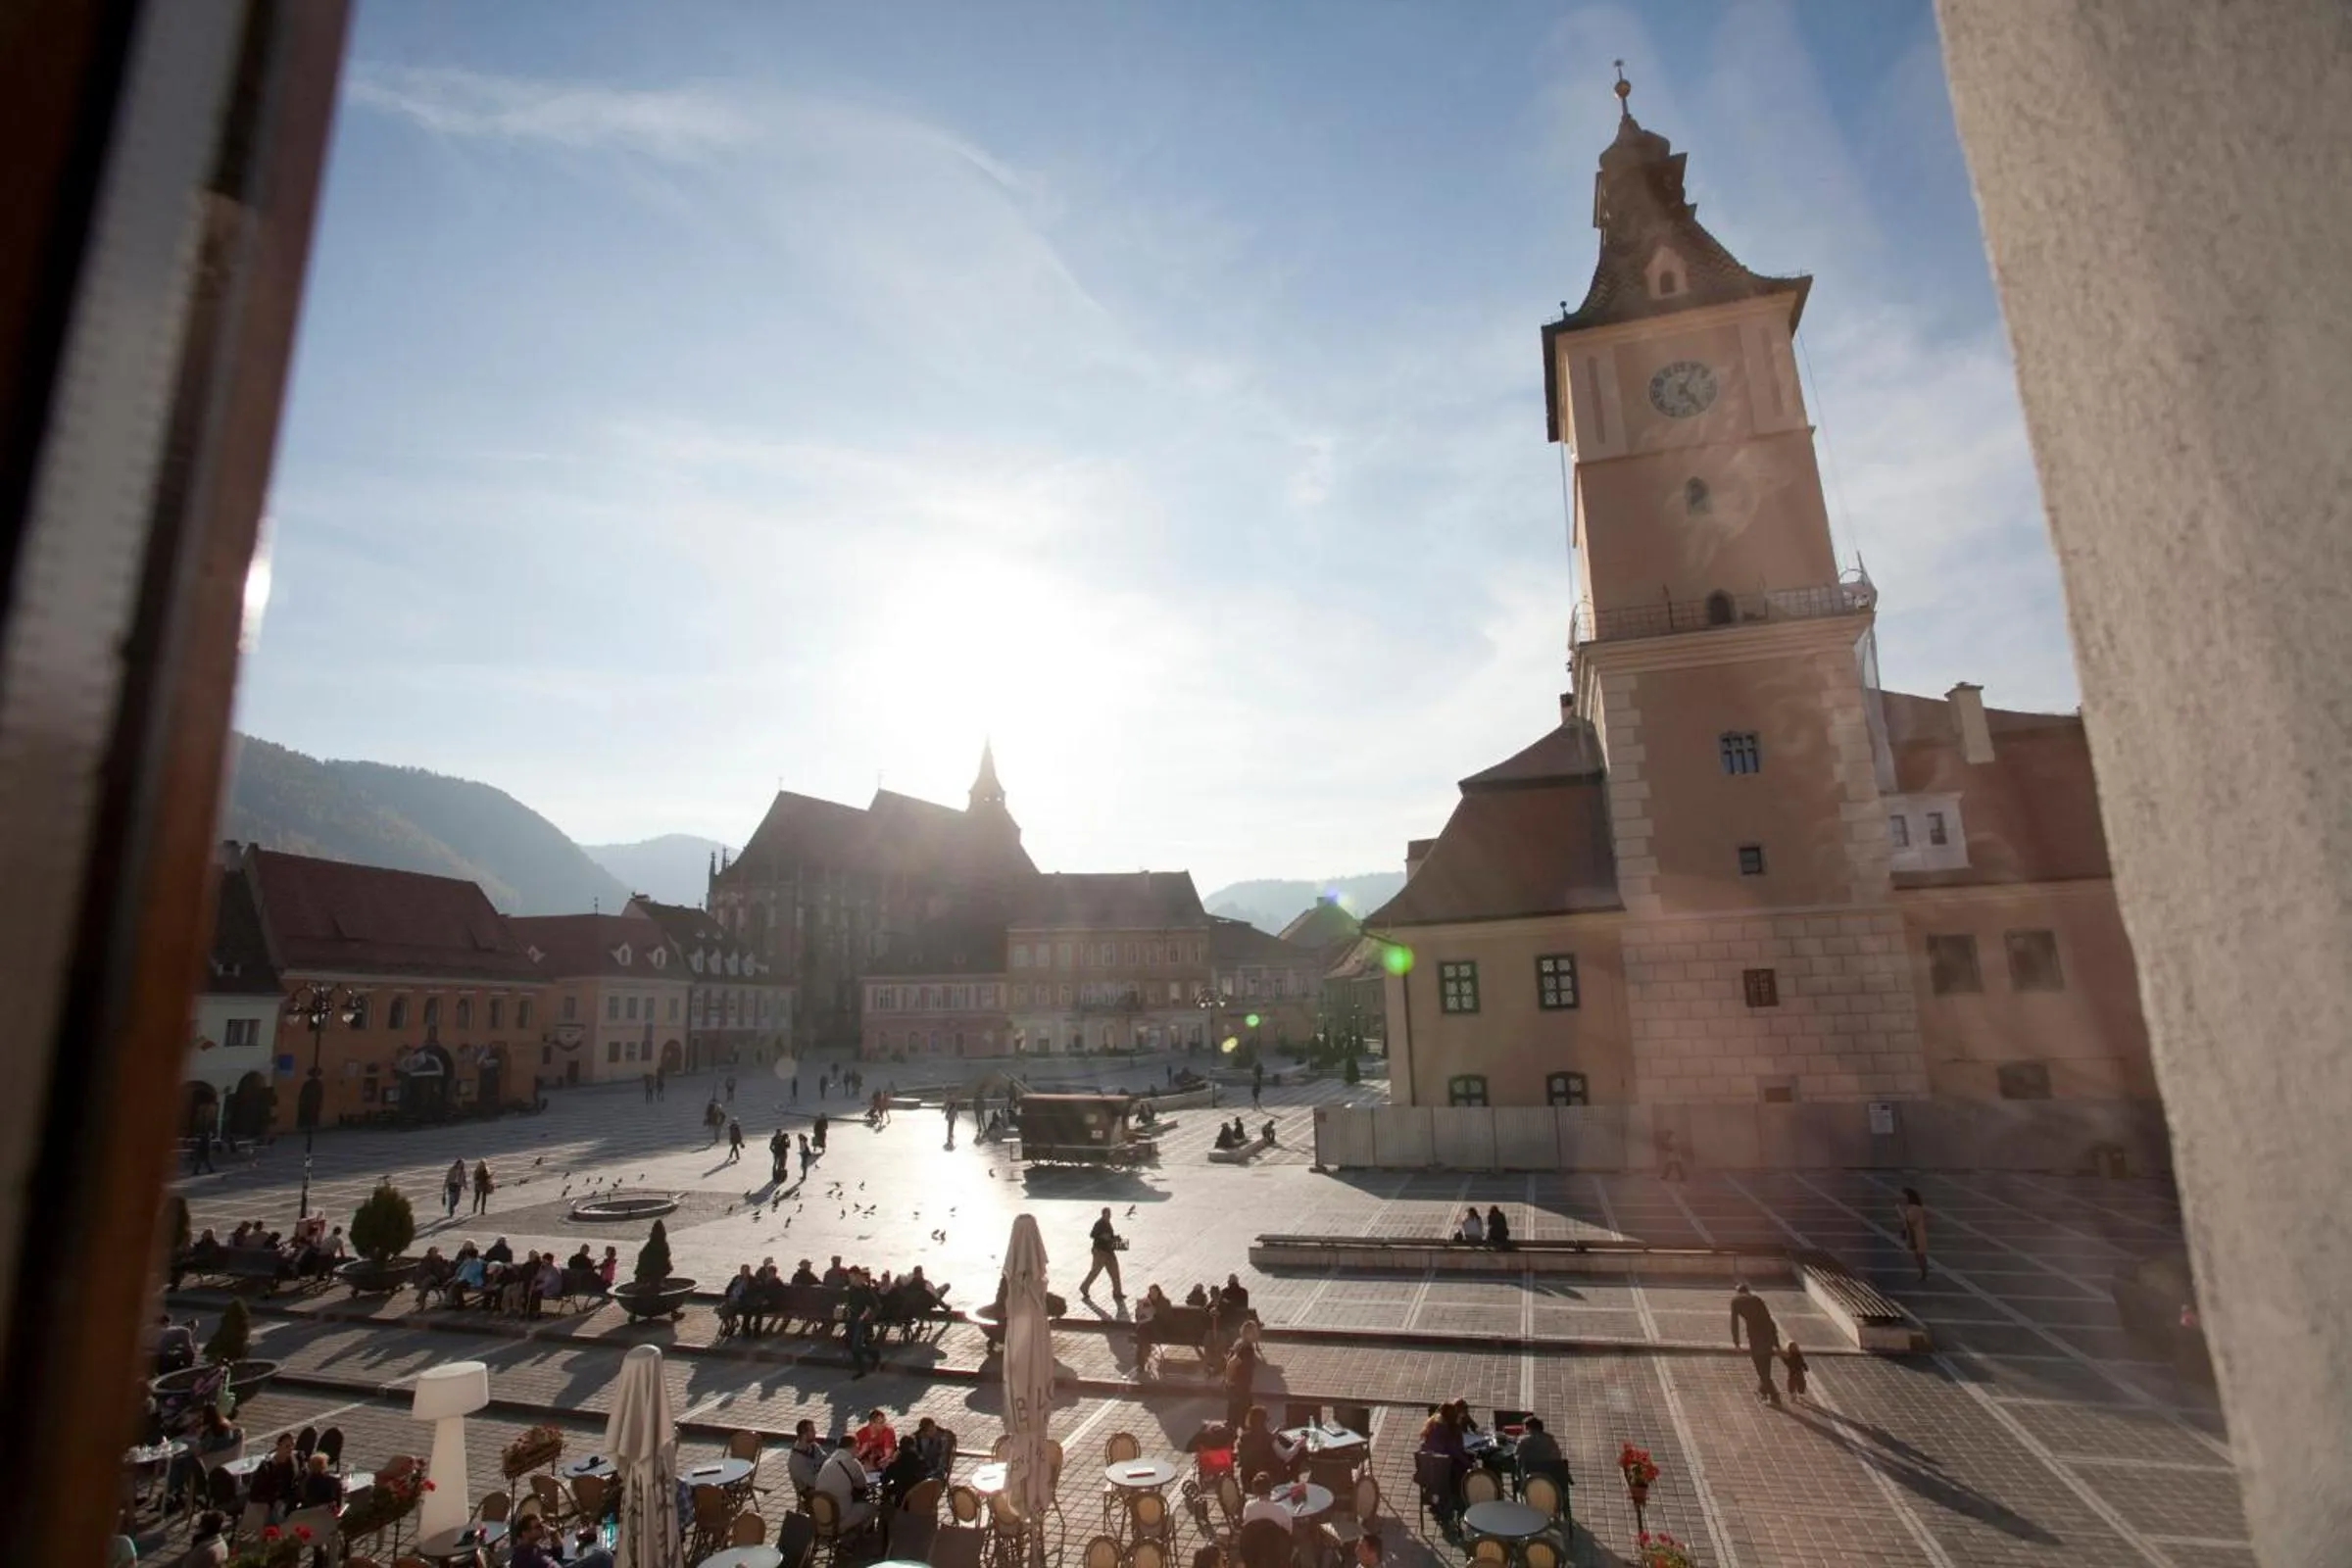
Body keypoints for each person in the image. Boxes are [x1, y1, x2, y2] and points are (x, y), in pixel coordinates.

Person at [167, 1405, 242, 1509]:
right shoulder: (226, 1428)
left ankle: (174, 1492)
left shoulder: (210, 1433)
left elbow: (199, 1451)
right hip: (225, 1462)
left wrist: (199, 1435)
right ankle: (175, 1492)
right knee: (181, 1461)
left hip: (207, 1467)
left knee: (179, 1461)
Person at [1731, 1283, 1783, 1406]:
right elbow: (1770, 1321)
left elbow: (1734, 1323)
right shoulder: (1757, 1299)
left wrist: (1736, 1342)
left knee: (1760, 1368)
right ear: (1748, 1291)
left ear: (1738, 1292)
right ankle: (1762, 1389)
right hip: (1767, 1337)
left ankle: (1775, 1396)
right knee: (1766, 1365)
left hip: (1755, 1337)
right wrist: (1776, 1343)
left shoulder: (1736, 1301)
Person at [813, 1435, 875, 1531]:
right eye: (857, 1447)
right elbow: (862, 1486)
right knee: (871, 1508)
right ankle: (857, 1538)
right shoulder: (853, 1463)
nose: (857, 1450)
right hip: (839, 1518)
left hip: (821, 1517)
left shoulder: (828, 1462)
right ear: (853, 1446)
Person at [1234, 1406, 1302, 1486]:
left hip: (1248, 1479)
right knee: (1296, 1458)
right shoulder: (1268, 1438)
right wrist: (1298, 1445)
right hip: (1269, 1479)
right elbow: (1286, 1456)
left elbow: (1258, 1444)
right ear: (1264, 1422)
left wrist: (1274, 1434)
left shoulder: (1244, 1437)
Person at [1223, 1318, 1263, 1432]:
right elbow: (1232, 1363)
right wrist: (1229, 1380)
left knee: (1236, 1411)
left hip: (1240, 1386)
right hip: (1239, 1386)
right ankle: (1247, 1436)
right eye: (1254, 1332)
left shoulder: (1240, 1343)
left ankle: (1235, 1431)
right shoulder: (1246, 1348)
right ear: (1248, 1334)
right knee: (1244, 1413)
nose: (1257, 1334)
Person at [1081, 1206, 1126, 1303]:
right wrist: (1102, 1236)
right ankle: (1084, 1287)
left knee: (1115, 1272)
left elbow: (1109, 1236)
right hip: (1100, 1252)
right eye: (1107, 1214)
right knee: (1095, 1271)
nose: (1109, 1215)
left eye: (1110, 1214)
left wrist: (1115, 1238)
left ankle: (1117, 1293)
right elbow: (1092, 1234)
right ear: (1103, 1214)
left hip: (1109, 1252)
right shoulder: (1099, 1223)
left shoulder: (1107, 1223)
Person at [1513, 1416, 1570, 1492]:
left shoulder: (1524, 1440)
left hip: (1531, 1470)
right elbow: (1557, 1454)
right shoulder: (1549, 1439)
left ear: (1528, 1428)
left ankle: (1520, 1486)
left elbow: (1516, 1453)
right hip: (1550, 1471)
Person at [785, 1419, 828, 1496]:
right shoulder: (796, 1459)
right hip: (810, 1494)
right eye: (812, 1430)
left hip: (821, 1483)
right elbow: (812, 1482)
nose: (815, 1432)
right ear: (804, 1435)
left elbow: (826, 1461)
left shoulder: (813, 1446)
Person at [1897, 1187, 1930, 1281]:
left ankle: (1924, 1272)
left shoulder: (1915, 1208)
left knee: (1920, 1255)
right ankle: (1923, 1272)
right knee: (1918, 1255)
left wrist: (1901, 1212)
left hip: (1917, 1235)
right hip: (1914, 1234)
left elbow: (1910, 1220)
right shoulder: (1912, 1208)